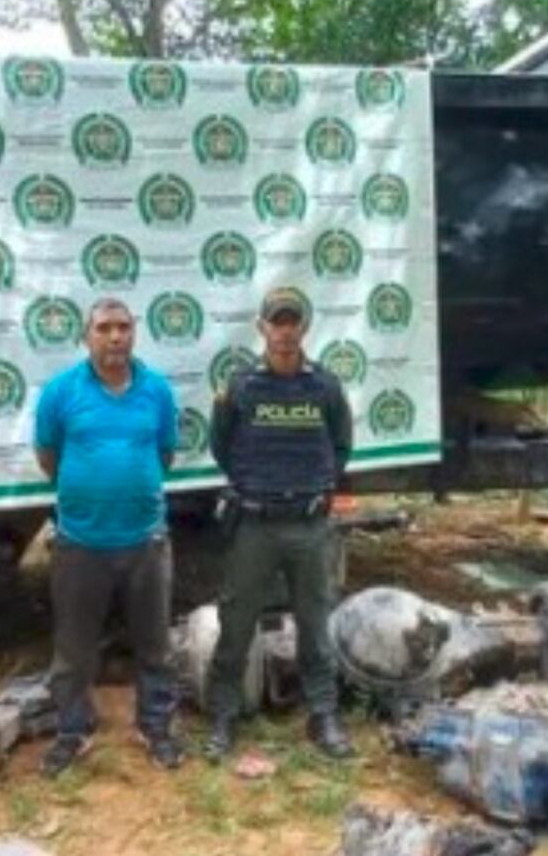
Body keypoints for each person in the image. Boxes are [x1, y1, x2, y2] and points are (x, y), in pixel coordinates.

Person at [34, 297, 185, 776]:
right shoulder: (60, 392)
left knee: (154, 645)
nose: (115, 336)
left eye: (123, 327)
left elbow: (164, 455)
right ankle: (74, 729)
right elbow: (48, 458)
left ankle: (156, 725)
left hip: (146, 541)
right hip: (80, 543)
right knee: (74, 648)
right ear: (87, 336)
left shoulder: (156, 391)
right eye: (104, 328)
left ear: (134, 333)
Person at [203, 286, 354, 761]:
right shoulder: (242, 386)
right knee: (236, 622)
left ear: (304, 328)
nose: (284, 331)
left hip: (308, 527)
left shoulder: (326, 387)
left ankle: (323, 714)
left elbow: (341, 445)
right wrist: (257, 484)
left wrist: (314, 485)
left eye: (292, 322)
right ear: (262, 328)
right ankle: (224, 715)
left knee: (315, 622)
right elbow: (221, 446)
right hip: (255, 525)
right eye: (276, 322)